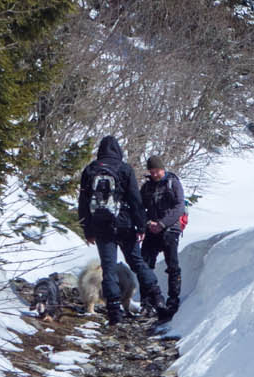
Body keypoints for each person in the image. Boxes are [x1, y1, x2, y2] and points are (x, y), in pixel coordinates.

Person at [76, 136, 164, 326]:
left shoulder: (90, 169)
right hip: (125, 225)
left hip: (101, 227)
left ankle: (114, 312)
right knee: (138, 262)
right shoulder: (124, 169)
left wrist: (87, 229)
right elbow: (135, 200)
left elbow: (83, 202)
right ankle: (158, 299)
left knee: (108, 269)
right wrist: (140, 226)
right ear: (118, 150)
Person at [139, 153, 189, 324]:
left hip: (170, 228)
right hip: (151, 229)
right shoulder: (146, 188)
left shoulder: (173, 183)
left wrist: (162, 223)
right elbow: (139, 207)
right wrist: (147, 223)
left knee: (172, 265)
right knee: (144, 264)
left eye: (157, 171)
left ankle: (173, 300)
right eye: (152, 171)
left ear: (163, 169)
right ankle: (148, 301)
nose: (154, 174)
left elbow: (179, 207)